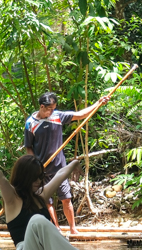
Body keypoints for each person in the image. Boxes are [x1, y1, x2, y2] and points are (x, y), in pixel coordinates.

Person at [0, 155, 132, 250]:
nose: (38, 181)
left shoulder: (41, 196)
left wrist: (74, 163)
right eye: (34, 178)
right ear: (24, 177)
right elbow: (1, 179)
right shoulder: (12, 199)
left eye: (40, 177)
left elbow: (61, 174)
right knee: (36, 220)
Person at [24, 91, 111, 235]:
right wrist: (34, 165)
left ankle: (72, 228)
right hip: (41, 168)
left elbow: (81, 114)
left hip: (59, 167)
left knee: (66, 198)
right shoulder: (30, 123)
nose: (52, 111)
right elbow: (29, 147)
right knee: (47, 201)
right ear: (42, 107)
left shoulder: (57, 116)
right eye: (50, 109)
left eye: (54, 108)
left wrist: (98, 103)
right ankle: (56, 228)